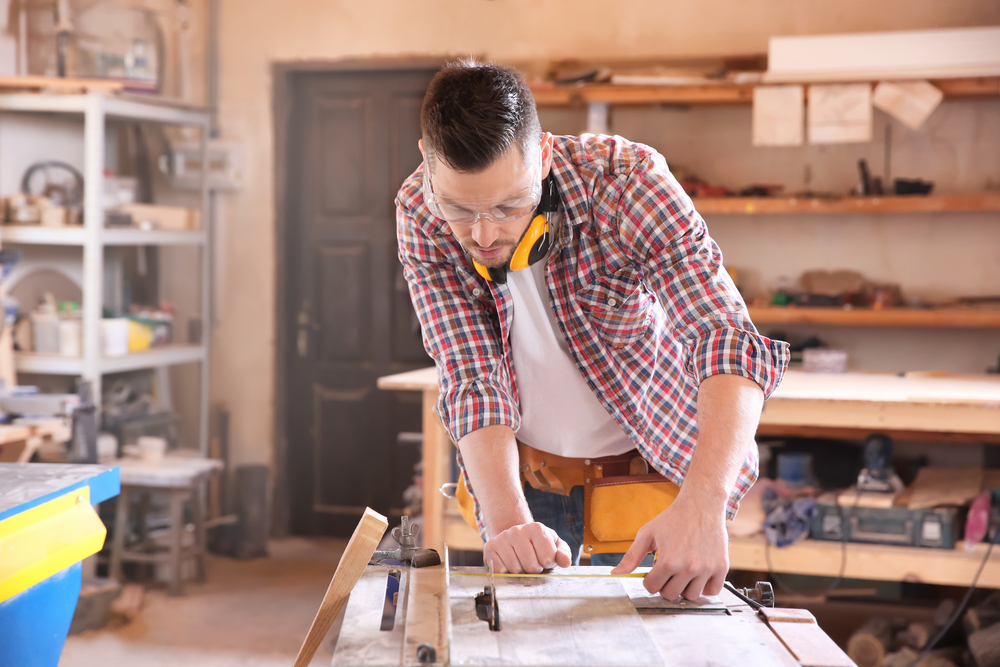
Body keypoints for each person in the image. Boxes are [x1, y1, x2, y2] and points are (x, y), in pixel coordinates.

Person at [395, 59, 789, 601]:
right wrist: (510, 524)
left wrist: (703, 503)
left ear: (545, 155)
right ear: (427, 162)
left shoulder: (626, 182)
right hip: (521, 480)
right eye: (460, 209)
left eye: (511, 205)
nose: (484, 235)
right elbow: (470, 376)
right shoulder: (419, 211)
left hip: (652, 476)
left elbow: (725, 338)